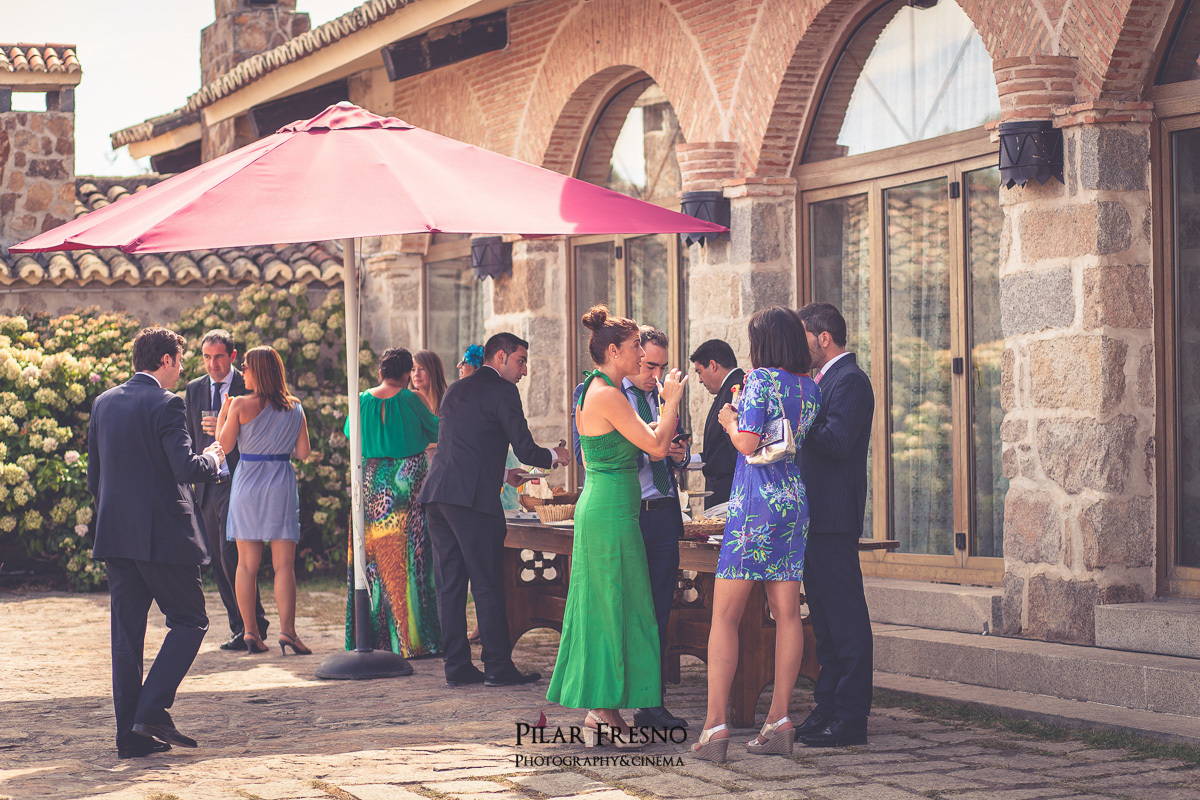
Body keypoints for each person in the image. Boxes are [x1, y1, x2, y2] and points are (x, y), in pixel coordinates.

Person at [548, 306, 687, 747]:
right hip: (609, 511)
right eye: (634, 348)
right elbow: (657, 447)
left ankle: (603, 712)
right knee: (609, 607)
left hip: (613, 507)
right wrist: (670, 402)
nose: (640, 353)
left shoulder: (598, 387)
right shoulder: (607, 394)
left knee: (619, 606)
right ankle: (602, 711)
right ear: (614, 351)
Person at [88, 326, 226, 758]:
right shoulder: (169, 403)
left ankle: (130, 737)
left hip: (115, 535)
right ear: (165, 360)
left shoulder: (103, 402)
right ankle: (151, 709)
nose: (181, 369)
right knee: (190, 620)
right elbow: (185, 467)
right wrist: (216, 457)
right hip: (164, 538)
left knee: (126, 637)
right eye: (180, 360)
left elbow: (96, 477)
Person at [692, 307, 820, 763]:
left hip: (756, 505)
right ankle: (779, 719)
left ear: (763, 342)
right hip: (793, 501)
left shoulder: (763, 378)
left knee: (724, 616)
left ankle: (714, 728)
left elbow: (747, 443)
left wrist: (729, 418)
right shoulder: (810, 385)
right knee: (787, 614)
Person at [417, 332, 570, 687]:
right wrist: (555, 456)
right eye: (520, 361)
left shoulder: (457, 388)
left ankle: (456, 666)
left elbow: (461, 447)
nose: (525, 370)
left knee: (450, 585)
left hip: (438, 495)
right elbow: (527, 448)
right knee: (487, 583)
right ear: (500, 357)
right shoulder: (502, 390)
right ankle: (498, 666)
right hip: (470, 501)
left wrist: (504, 473)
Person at [795, 302, 875, 748]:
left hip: (833, 517)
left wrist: (794, 418)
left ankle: (851, 716)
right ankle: (827, 705)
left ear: (822, 337)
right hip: (814, 517)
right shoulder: (822, 381)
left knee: (844, 619)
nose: (799, 346)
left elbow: (839, 442)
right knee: (824, 621)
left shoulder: (851, 381)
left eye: (802, 337)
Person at [343, 347, 441, 658]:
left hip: (371, 484)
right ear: (404, 373)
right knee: (411, 560)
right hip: (406, 484)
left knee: (371, 561)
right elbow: (439, 430)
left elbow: (350, 434)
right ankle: (411, 639)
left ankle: (373, 638)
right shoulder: (411, 399)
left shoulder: (360, 400)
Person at [215, 346, 312, 656]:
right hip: (280, 483)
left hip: (247, 485)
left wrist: (223, 415)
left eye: (246, 367)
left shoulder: (240, 404)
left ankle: (251, 633)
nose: (243, 372)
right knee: (285, 566)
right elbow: (303, 453)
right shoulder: (295, 407)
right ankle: (288, 632)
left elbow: (225, 446)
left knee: (246, 565)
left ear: (259, 371)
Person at [183, 329, 269, 652]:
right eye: (206, 357)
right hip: (208, 484)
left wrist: (224, 428)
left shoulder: (247, 386)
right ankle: (242, 625)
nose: (212, 364)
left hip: (239, 479)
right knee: (217, 558)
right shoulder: (193, 390)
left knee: (232, 553)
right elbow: (190, 437)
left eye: (218, 357)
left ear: (232, 356)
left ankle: (252, 624)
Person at [690, 339, 745, 509]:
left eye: (699, 371)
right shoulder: (727, 389)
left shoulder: (736, 390)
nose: (699, 380)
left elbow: (738, 449)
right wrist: (686, 461)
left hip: (730, 492)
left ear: (713, 365)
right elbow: (717, 451)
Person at [412, 349, 448, 415]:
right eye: (413, 369)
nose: (416, 374)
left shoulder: (447, 404)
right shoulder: (408, 404)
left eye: (422, 368)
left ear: (434, 371)